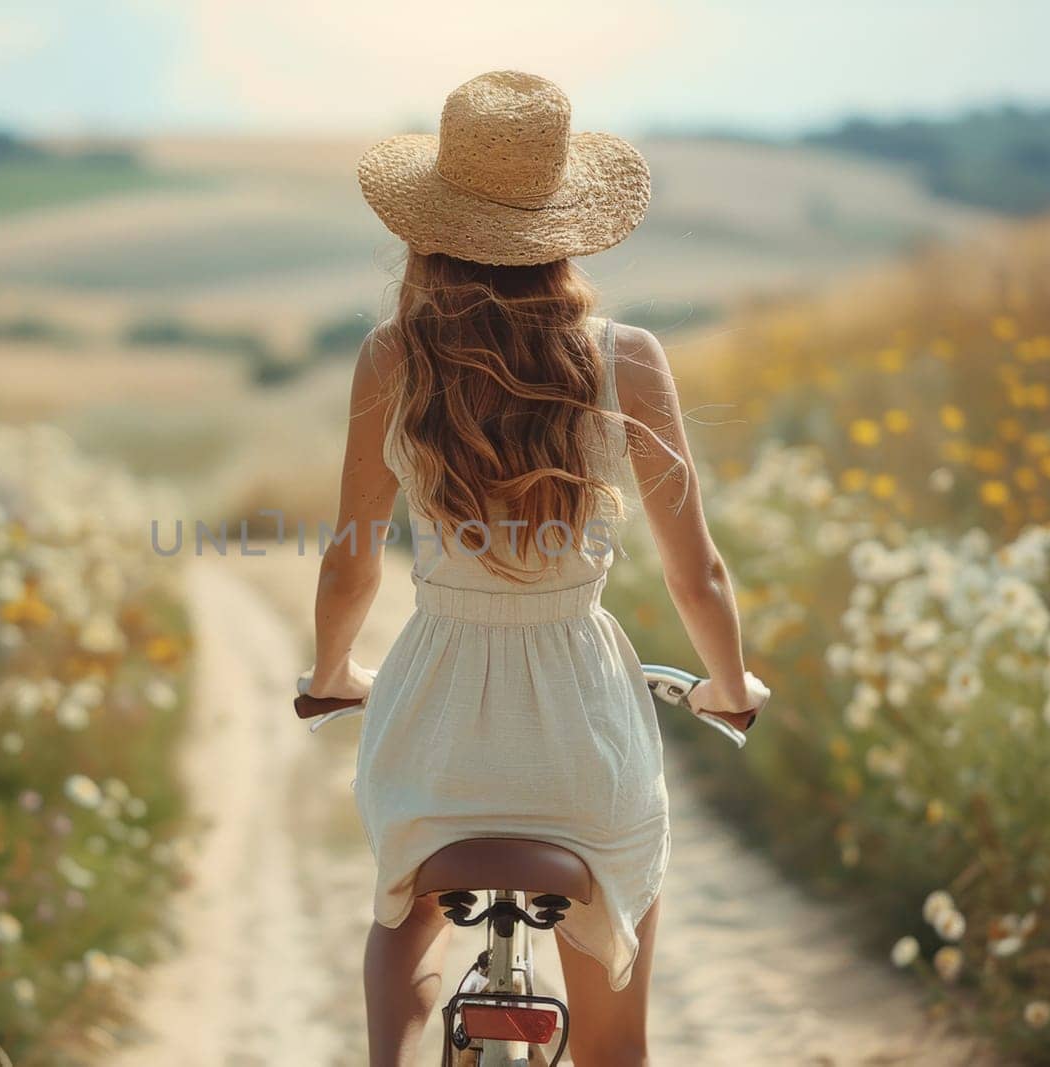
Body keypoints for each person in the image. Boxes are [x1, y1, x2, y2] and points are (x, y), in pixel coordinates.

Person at [303, 70, 770, 1066]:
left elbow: (351, 564)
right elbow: (699, 577)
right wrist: (729, 686)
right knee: (616, 1001)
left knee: (400, 919)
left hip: (434, 726)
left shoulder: (392, 359)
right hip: (581, 737)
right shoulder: (627, 359)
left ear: (426, 228)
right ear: (565, 226)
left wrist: (330, 671)